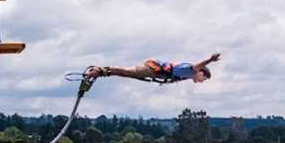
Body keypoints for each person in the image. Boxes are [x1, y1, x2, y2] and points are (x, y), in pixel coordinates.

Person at [86, 53, 221, 83]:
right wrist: (210, 60)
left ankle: (103, 73)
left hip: (156, 74)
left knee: (126, 75)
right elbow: (198, 65)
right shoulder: (191, 70)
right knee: (126, 71)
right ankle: (99, 70)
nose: (202, 82)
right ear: (201, 73)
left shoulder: (187, 76)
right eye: (204, 79)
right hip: (153, 69)